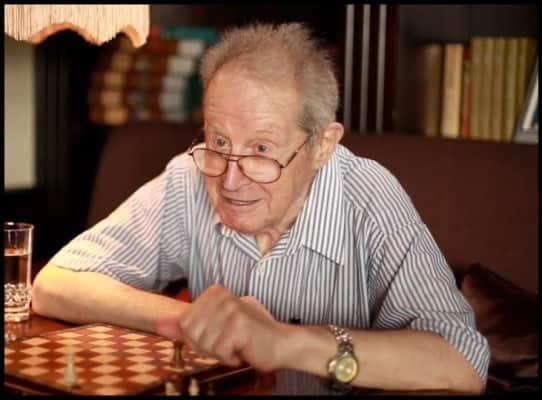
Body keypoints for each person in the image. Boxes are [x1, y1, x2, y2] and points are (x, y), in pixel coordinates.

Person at [32, 22, 489, 393]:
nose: (231, 180)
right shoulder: (192, 174)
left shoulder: (367, 195)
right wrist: (197, 322)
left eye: (262, 150)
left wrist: (285, 343)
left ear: (322, 145)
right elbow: (56, 284)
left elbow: (462, 363)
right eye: (219, 141)